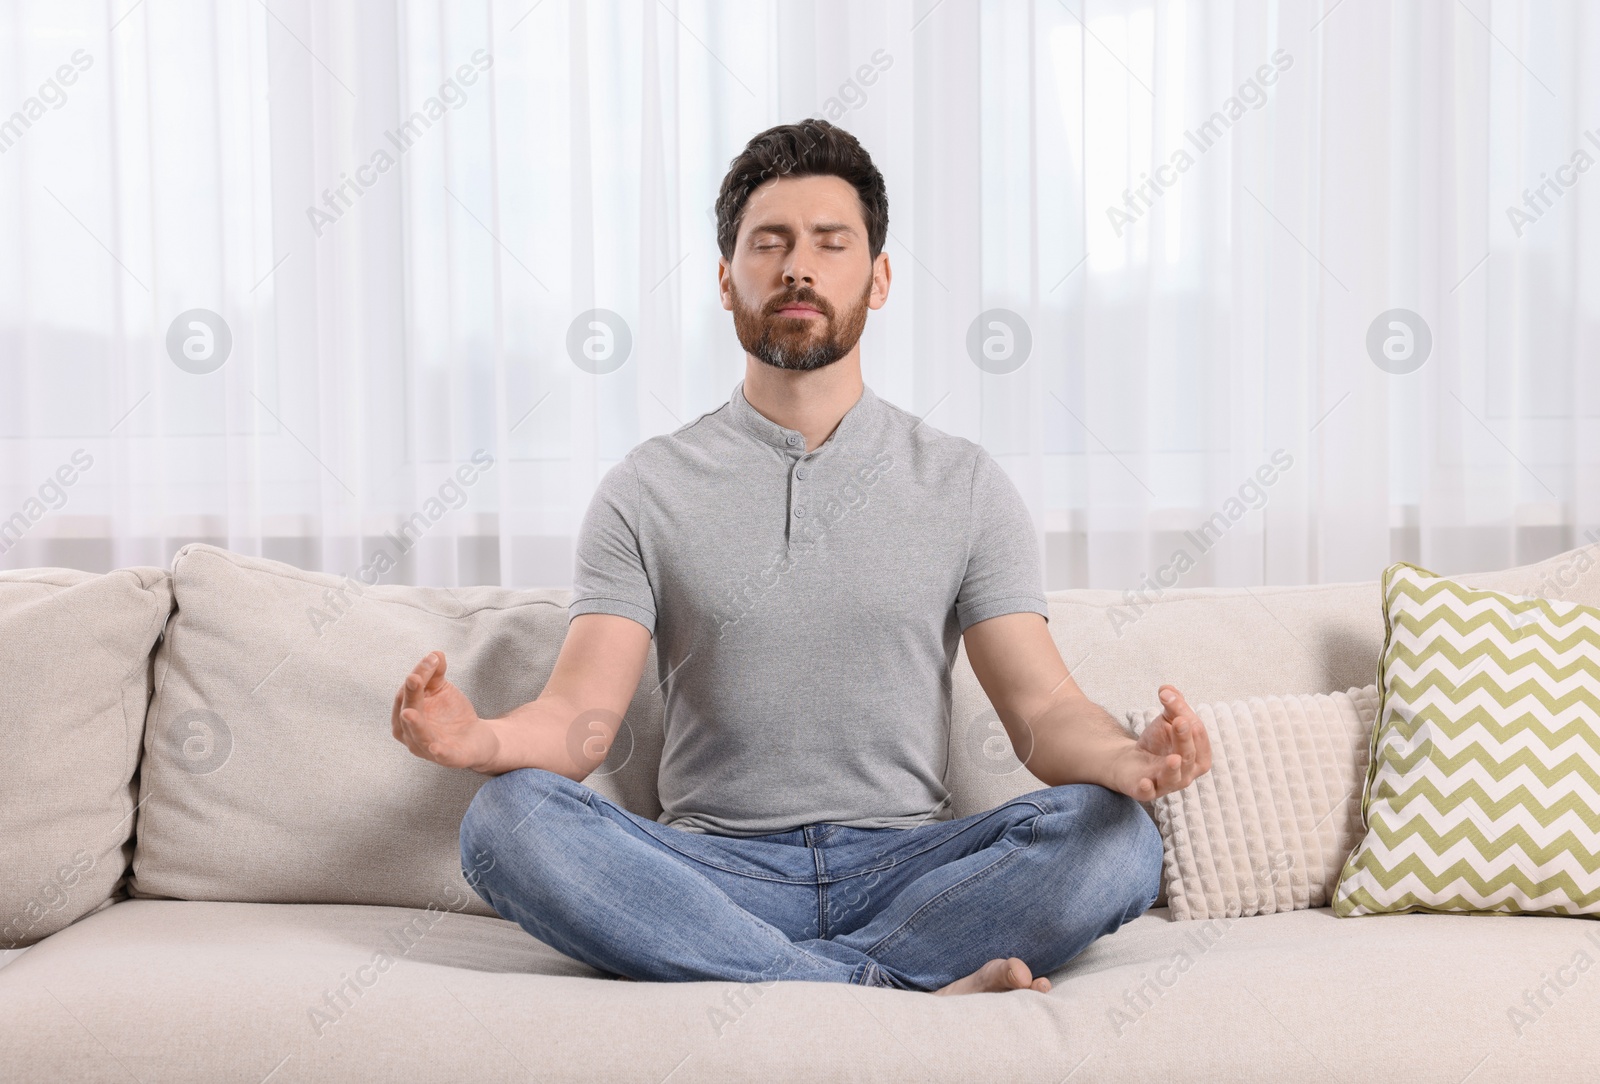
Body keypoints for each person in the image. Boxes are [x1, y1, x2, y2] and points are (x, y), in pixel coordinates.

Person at [391, 118, 1211, 995]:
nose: (798, 267)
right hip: (711, 873)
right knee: (506, 821)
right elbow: (580, 720)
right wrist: (481, 740)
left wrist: (1128, 760)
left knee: (1117, 836)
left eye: (831, 242)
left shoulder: (964, 483)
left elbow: (1043, 711)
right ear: (725, 278)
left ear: (880, 277)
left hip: (913, 871)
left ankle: (784, 983)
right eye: (768, 243)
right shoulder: (646, 487)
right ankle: (884, 988)